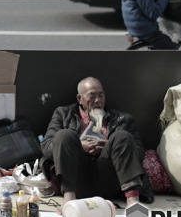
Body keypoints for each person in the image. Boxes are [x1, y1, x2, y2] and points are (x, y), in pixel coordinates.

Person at [41, 77, 151, 207]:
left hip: (111, 179)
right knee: (64, 135)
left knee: (122, 136)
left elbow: (139, 152)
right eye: (91, 96)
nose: (98, 100)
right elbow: (46, 146)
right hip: (76, 180)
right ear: (79, 99)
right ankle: (69, 201)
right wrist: (80, 146)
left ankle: (133, 203)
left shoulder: (123, 119)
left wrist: (109, 146)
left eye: (101, 95)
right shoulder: (63, 114)